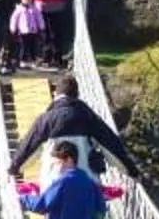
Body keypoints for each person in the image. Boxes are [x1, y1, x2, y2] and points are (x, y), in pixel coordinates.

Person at [9, 74, 140, 181]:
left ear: (55, 94)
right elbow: (112, 146)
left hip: (55, 184)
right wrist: (131, 171)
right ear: (77, 95)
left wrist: (14, 169)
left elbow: (27, 149)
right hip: (86, 185)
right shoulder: (89, 117)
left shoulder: (45, 119)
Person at [4, 0, 43, 74]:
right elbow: (14, 19)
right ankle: (22, 61)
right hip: (23, 31)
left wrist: (41, 26)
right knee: (23, 47)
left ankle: (33, 60)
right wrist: (13, 28)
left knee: (33, 46)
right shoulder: (19, 9)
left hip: (33, 31)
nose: (27, 0)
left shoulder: (34, 8)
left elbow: (39, 17)